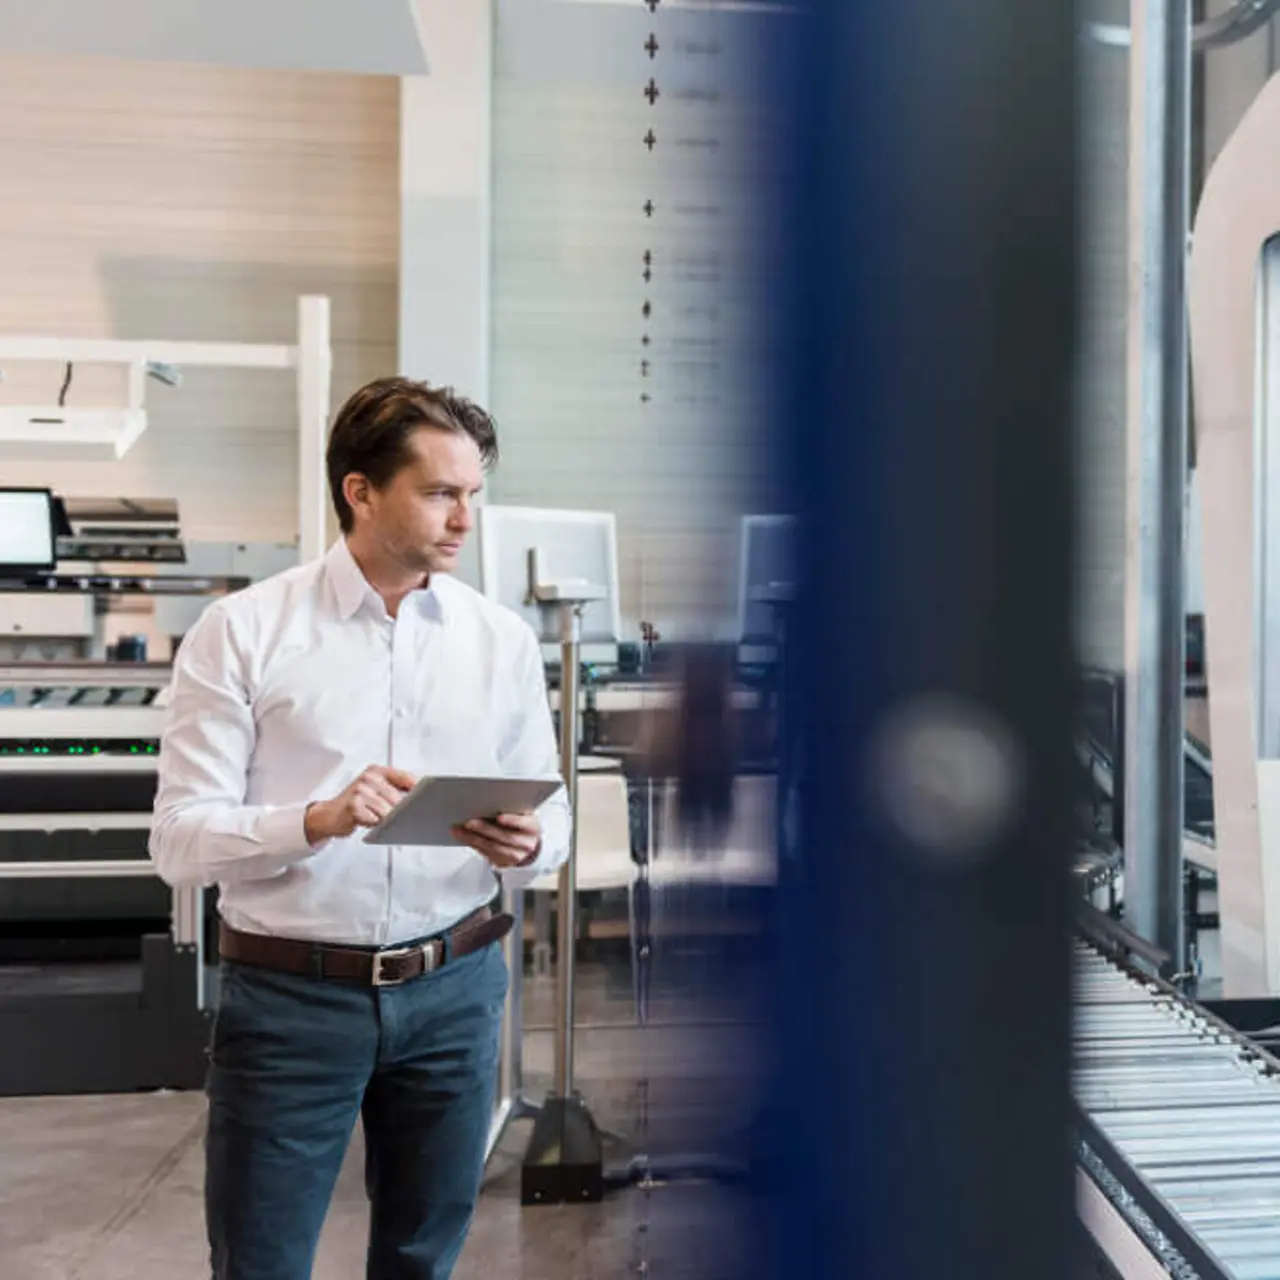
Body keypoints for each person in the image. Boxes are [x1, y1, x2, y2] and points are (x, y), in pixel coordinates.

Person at [149, 376, 570, 1280]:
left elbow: (554, 808)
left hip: (456, 991)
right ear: (361, 490)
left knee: (423, 1256)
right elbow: (178, 840)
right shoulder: (243, 632)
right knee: (262, 1259)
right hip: (293, 1001)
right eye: (441, 493)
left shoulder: (499, 640)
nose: (465, 519)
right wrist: (315, 819)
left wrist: (532, 841)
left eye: (473, 497)